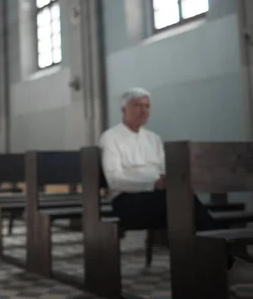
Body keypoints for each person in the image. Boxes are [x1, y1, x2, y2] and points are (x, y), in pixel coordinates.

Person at [100, 87, 251, 283]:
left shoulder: (153, 138)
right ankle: (222, 262)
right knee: (184, 204)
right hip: (126, 200)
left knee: (184, 202)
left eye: (147, 106)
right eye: (137, 105)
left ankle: (211, 264)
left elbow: (166, 171)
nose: (143, 110)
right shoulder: (110, 137)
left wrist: (168, 180)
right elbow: (114, 179)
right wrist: (153, 184)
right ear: (123, 109)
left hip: (158, 197)